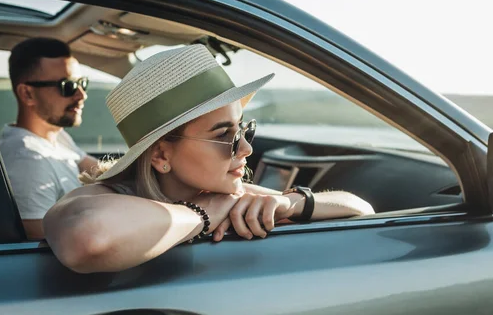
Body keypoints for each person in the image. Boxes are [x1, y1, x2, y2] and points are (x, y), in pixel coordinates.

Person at [43, 45, 374, 273]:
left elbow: (361, 210)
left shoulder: (228, 195)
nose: (245, 148)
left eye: (243, 129)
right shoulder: (104, 198)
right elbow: (88, 237)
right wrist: (205, 213)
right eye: (223, 135)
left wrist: (290, 203)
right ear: (160, 154)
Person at [0, 38, 98, 240]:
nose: (81, 95)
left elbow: (99, 170)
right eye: (68, 86)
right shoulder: (27, 160)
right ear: (27, 94)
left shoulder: (55, 136)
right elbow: (42, 247)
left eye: (82, 83)